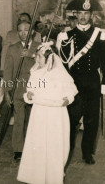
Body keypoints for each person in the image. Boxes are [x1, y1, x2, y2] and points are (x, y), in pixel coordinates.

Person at [57, 0, 105, 164]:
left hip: (93, 83)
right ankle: (68, 149)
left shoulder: (100, 34)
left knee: (91, 120)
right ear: (76, 14)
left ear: (91, 15)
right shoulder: (67, 35)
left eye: (86, 13)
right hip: (74, 84)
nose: (83, 16)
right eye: (80, 13)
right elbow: (63, 63)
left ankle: (87, 153)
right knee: (71, 119)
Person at [17, 43, 78, 184]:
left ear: (49, 58)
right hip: (39, 114)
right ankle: (36, 175)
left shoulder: (59, 73)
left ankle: (53, 176)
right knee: (38, 143)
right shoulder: (36, 72)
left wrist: (67, 99)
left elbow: (71, 90)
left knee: (54, 145)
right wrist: (29, 95)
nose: (36, 59)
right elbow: (29, 92)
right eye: (37, 56)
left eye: (39, 57)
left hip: (56, 116)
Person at [3, 20, 41, 160]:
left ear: (32, 32)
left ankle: (34, 147)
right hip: (18, 90)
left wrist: (31, 55)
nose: (23, 33)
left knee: (35, 120)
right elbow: (8, 71)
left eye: (26, 30)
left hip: (36, 90)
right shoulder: (13, 49)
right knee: (19, 120)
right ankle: (18, 149)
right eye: (20, 30)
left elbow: (48, 64)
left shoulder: (39, 47)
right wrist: (7, 91)